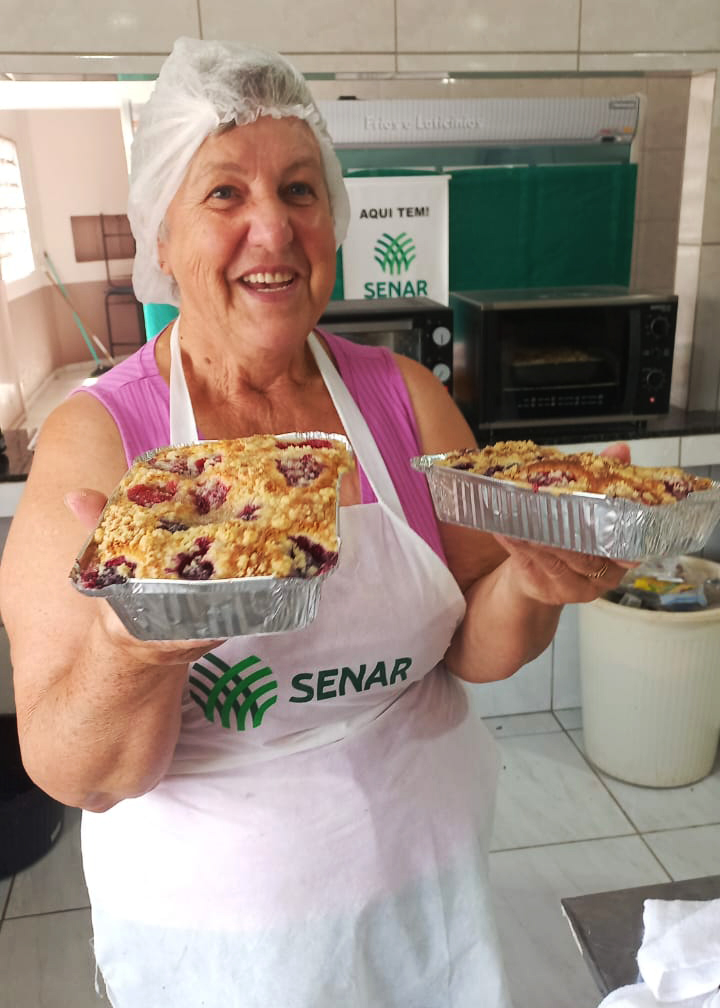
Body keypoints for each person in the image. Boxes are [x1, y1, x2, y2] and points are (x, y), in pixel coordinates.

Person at [0, 37, 629, 1008]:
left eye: (300, 190)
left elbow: (472, 644)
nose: (274, 228)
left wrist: (531, 583)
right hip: (223, 953)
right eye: (224, 193)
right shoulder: (100, 441)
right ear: (160, 237)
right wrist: (133, 647)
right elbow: (76, 772)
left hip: (429, 900)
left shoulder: (405, 398)